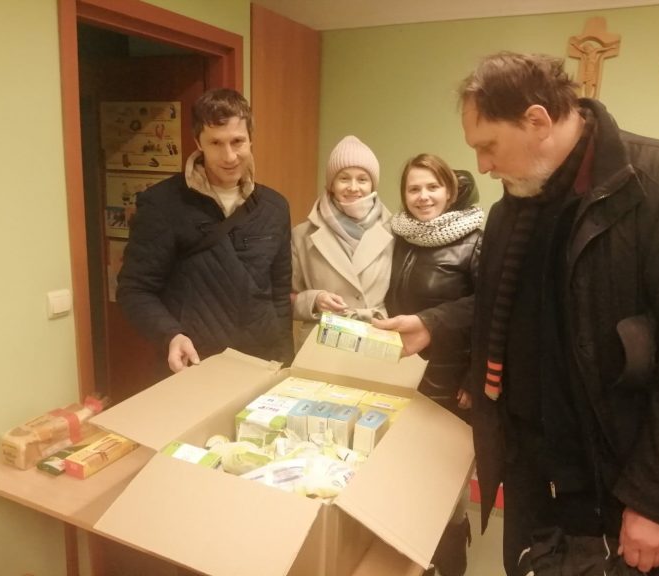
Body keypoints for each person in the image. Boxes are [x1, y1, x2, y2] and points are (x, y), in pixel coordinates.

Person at [456, 52, 659, 576]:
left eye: (488, 146)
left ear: (537, 121)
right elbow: (500, 304)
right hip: (534, 486)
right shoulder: (513, 206)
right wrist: (430, 325)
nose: (482, 166)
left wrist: (658, 499)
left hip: (626, 494)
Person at [117, 88, 293, 372]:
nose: (229, 156)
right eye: (216, 143)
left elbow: (280, 295)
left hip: (261, 362)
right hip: (194, 362)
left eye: (237, 141)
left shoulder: (275, 207)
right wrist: (170, 335)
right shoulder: (161, 204)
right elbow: (134, 290)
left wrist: (285, 363)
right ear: (198, 141)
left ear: (251, 138)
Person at [382, 154, 484, 576]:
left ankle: (451, 559)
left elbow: (490, 313)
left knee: (446, 486)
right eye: (413, 189)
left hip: (451, 382)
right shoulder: (400, 237)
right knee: (409, 477)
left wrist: (474, 378)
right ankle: (416, 558)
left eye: (432, 187)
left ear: (450, 191)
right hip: (404, 376)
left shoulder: (476, 241)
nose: (423, 197)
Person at [291, 135, 393, 347]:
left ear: (373, 184)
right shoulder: (301, 235)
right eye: (344, 178)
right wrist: (314, 300)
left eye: (362, 179)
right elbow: (282, 299)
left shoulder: (395, 230)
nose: (353, 188)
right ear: (331, 184)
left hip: (376, 339)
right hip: (322, 342)